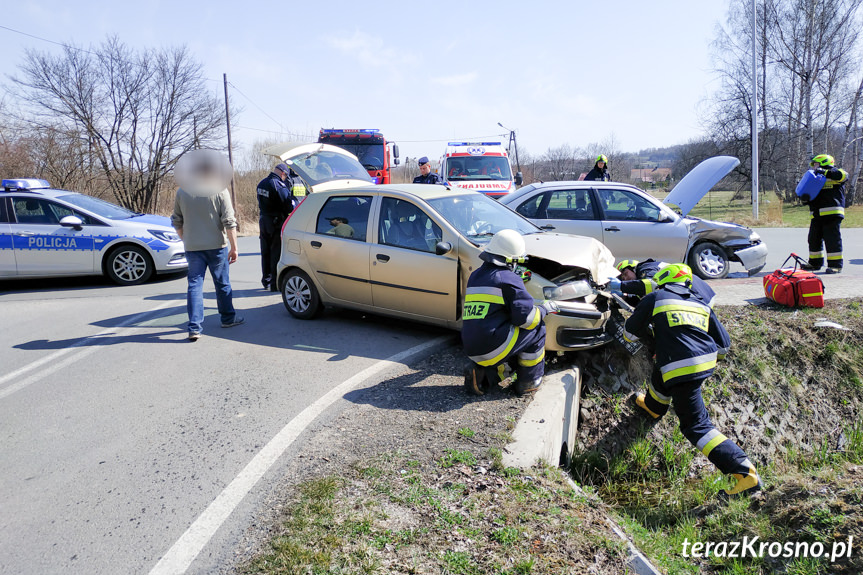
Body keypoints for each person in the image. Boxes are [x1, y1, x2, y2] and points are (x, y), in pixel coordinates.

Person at [624, 263, 761, 497]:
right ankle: (654, 406)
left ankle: (744, 473)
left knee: (695, 426)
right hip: (703, 362)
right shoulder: (700, 304)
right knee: (663, 367)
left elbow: (629, 333)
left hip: (680, 366)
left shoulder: (656, 297)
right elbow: (724, 346)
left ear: (663, 279)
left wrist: (657, 332)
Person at [461, 229, 558, 397]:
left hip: (471, 346)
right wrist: (544, 309)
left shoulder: (475, 275)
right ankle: (528, 382)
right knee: (537, 330)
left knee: (514, 341)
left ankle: (483, 377)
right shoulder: (508, 279)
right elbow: (527, 319)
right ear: (511, 260)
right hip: (493, 346)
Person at [171, 149, 244, 342]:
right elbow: (230, 221)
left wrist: (185, 239)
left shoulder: (182, 191)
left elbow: (176, 221)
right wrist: (234, 247)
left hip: (193, 247)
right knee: (222, 283)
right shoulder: (220, 190)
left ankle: (194, 327)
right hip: (217, 246)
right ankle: (228, 318)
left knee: (194, 284)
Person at [800, 154, 846, 274]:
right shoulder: (814, 177)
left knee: (832, 239)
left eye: (816, 164)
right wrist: (805, 199)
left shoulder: (836, 173)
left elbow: (843, 176)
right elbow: (810, 194)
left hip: (832, 213)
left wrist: (824, 172)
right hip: (817, 214)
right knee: (813, 239)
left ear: (824, 163)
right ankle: (814, 264)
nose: (814, 167)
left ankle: (835, 265)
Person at [608, 259, 716, 307]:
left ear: (632, 268)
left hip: (698, 295)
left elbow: (651, 285)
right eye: (622, 279)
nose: (625, 278)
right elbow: (644, 302)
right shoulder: (648, 271)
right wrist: (626, 298)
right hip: (701, 296)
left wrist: (621, 286)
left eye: (625, 274)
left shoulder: (646, 268)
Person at [257, 162, 295, 291]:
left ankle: (266, 280)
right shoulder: (278, 186)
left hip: (263, 221)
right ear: (283, 173)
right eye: (285, 176)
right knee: (275, 253)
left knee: (265, 252)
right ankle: (274, 283)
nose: (285, 178)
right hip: (275, 222)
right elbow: (288, 205)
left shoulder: (261, 183)